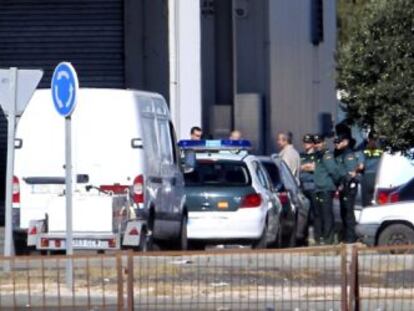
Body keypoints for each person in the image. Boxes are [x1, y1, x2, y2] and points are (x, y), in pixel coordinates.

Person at [334, 133, 362, 243]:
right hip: (342, 186)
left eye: (339, 142)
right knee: (344, 212)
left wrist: (343, 184)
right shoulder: (340, 154)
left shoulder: (348, 154)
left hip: (348, 187)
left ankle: (351, 238)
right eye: (335, 142)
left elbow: (351, 174)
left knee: (348, 212)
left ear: (345, 142)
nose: (336, 144)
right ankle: (346, 236)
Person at [312, 134, 340, 245]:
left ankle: (329, 240)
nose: (316, 145)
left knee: (327, 214)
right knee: (319, 215)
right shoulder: (318, 155)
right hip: (318, 189)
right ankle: (320, 238)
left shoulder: (327, 155)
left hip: (326, 189)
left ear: (324, 142)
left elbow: (334, 171)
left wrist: (337, 183)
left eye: (318, 143)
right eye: (315, 143)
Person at [299, 134, 318, 244]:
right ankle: (304, 236)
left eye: (309, 143)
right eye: (305, 142)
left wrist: (306, 167)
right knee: (304, 213)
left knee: (315, 213)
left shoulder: (316, 155)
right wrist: (307, 167)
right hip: (303, 187)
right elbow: (300, 167)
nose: (306, 145)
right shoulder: (301, 155)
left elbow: (314, 167)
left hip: (313, 186)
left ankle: (314, 236)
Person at [360, 133, 383, 206]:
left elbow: (361, 166)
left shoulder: (364, 151)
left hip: (367, 176)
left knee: (366, 203)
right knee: (378, 202)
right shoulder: (381, 151)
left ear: (368, 139)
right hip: (378, 176)